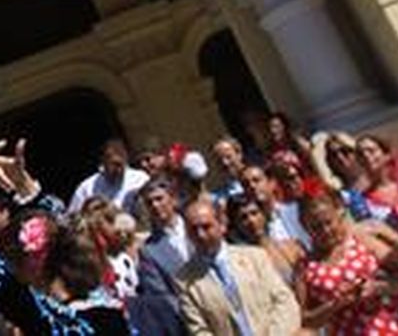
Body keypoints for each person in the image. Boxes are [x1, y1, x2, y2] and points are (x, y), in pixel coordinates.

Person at [0, 134, 104, 335]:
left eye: (11, 264)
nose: (11, 272)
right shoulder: (103, 302)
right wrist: (26, 190)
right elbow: (66, 229)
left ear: (30, 267)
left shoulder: (52, 320)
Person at [295, 188, 398, 335]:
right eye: (316, 227)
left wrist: (377, 287)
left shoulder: (361, 238)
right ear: (305, 227)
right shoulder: (305, 267)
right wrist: (335, 305)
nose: (325, 231)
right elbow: (305, 320)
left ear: (339, 213)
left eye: (328, 222)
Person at [176, 198, 300, 336]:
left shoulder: (255, 258)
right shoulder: (185, 281)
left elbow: (285, 301)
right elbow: (199, 330)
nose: (200, 235)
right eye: (193, 230)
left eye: (206, 227)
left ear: (222, 225)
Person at [132, 177, 190, 335]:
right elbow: (162, 297)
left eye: (159, 199)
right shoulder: (149, 251)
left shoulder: (197, 226)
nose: (155, 206)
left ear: (173, 199)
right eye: (149, 203)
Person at [225, 193, 304, 286]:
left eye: (254, 213)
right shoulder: (244, 265)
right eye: (243, 218)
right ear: (237, 226)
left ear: (263, 215)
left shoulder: (291, 246)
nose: (251, 220)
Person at [70, 139, 150, 216]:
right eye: (114, 164)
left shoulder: (140, 179)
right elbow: (73, 216)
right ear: (104, 162)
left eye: (121, 165)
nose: (118, 170)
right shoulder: (87, 188)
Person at [241, 164, 310, 250]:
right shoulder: (255, 230)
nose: (252, 186)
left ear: (271, 183)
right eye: (246, 185)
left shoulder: (296, 210)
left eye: (256, 180)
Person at [357, 133, 398, 214]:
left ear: (386, 155)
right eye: (361, 154)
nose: (366, 155)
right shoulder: (365, 200)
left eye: (371, 151)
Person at [209, 137, 248, 203]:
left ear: (239, 154)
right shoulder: (218, 197)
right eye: (219, 161)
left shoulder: (262, 178)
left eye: (228, 157)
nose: (225, 163)